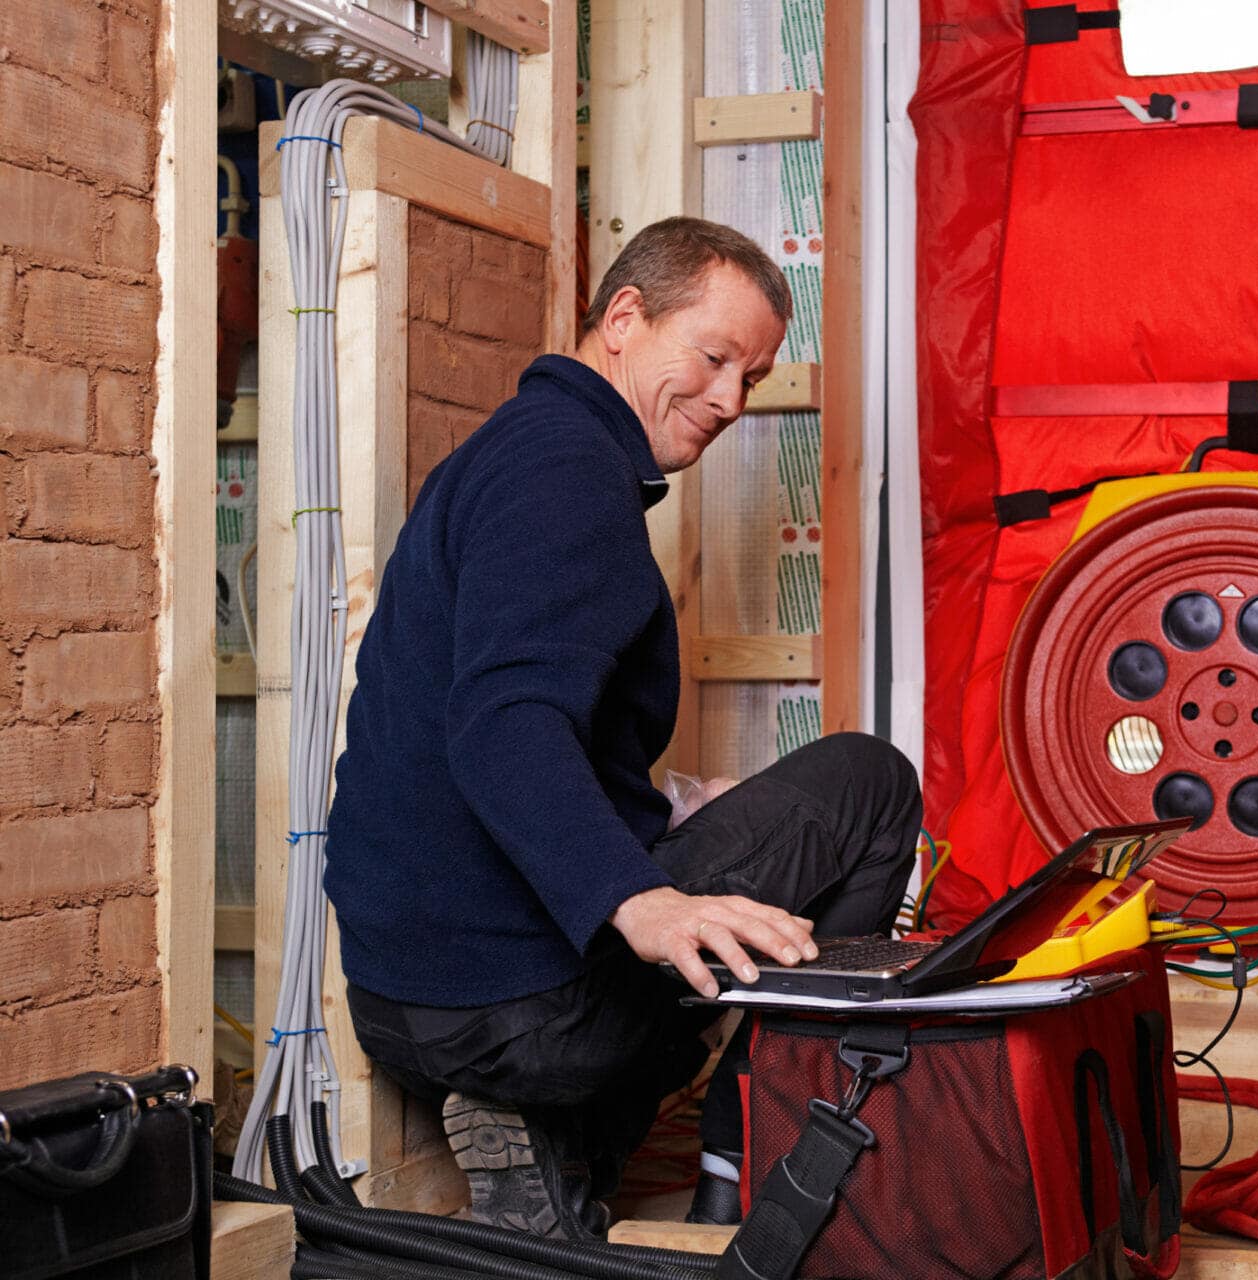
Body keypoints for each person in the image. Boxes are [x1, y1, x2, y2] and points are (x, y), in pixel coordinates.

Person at [323, 217, 920, 1238]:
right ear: (626, 318)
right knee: (870, 781)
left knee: (721, 836)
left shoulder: (518, 455)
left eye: (755, 376)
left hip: (405, 1002)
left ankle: (563, 1147)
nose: (732, 399)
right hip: (525, 1012)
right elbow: (506, 722)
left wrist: (686, 809)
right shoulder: (568, 474)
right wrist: (644, 900)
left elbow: (529, 723)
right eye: (716, 356)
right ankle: (747, 1146)